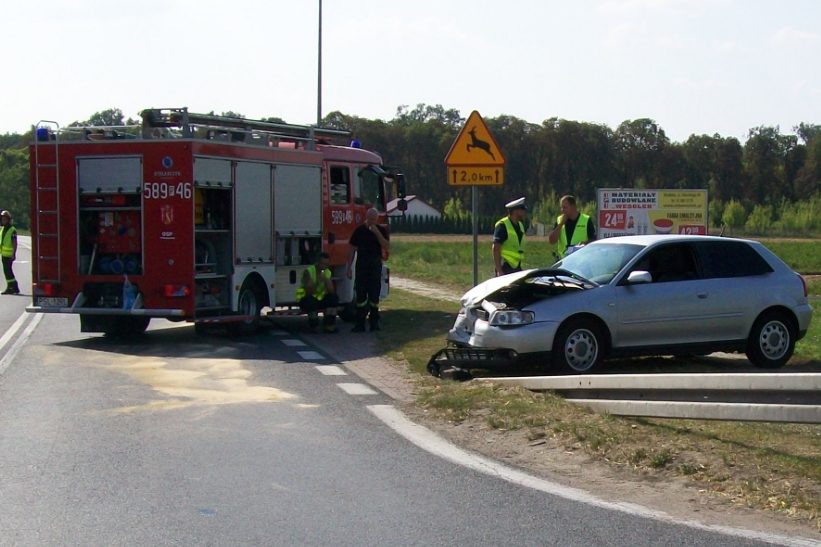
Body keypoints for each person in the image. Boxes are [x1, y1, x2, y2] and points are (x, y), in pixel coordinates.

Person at [347, 208, 389, 332]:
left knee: (374, 296)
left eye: (374, 220)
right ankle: (359, 324)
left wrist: (377, 232)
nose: (372, 222)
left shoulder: (381, 230)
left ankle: (374, 323)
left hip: (375, 266)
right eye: (370, 219)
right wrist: (349, 267)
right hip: (362, 266)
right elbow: (351, 249)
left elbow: (386, 246)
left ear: (377, 219)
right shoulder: (359, 231)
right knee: (361, 296)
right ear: (366, 218)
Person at [295, 252, 338, 333]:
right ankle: (314, 325)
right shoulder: (309, 271)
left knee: (333, 298)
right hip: (305, 298)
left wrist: (327, 281)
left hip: (319, 298)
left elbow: (331, 291)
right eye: (322, 264)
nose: (324, 266)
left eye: (326, 264)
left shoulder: (327, 272)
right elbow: (309, 291)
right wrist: (318, 281)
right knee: (310, 301)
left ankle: (329, 325)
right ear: (317, 263)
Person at [548, 195, 596, 259]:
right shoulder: (560, 220)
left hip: (581, 259)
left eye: (565, 207)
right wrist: (560, 224)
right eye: (561, 207)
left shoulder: (586, 219)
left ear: (573, 207)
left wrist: (584, 243)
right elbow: (552, 241)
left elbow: (594, 240)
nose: (562, 210)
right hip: (564, 260)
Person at [492, 197, 527, 276]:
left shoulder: (520, 225)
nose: (524, 212)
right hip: (505, 266)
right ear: (515, 211)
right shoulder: (502, 225)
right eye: (522, 209)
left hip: (517, 267)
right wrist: (499, 270)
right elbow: (496, 248)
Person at [0, 210, 18, 295]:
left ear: (8, 219)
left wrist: (13, 254)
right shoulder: (3, 228)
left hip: (9, 255)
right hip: (4, 254)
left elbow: (14, 243)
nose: (3, 220)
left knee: (8, 272)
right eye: (2, 219)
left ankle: (11, 287)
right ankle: (14, 287)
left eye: (5, 219)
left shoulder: (12, 230)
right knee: (7, 271)